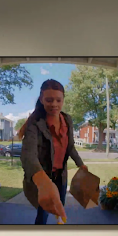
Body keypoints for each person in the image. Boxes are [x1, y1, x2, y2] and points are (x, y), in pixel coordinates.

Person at [19, 79, 88, 225]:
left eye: (58, 100)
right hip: (45, 176)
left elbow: (70, 146)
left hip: (61, 176)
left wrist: (80, 164)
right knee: (43, 213)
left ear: (63, 99)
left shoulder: (67, 119)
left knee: (60, 207)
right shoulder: (35, 123)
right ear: (41, 99)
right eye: (49, 100)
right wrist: (43, 183)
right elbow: (28, 155)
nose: (54, 104)